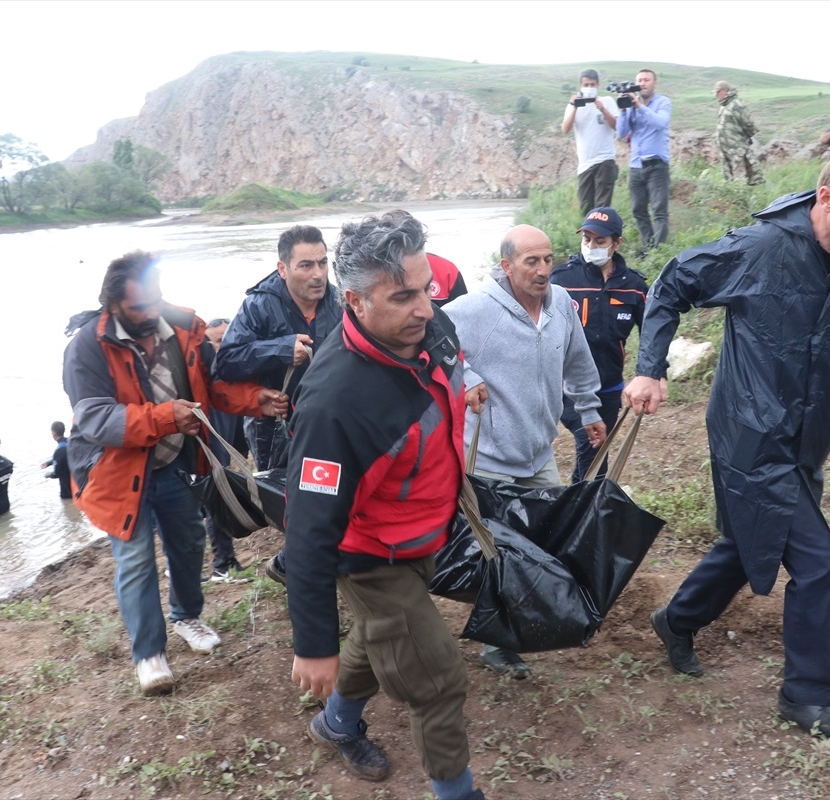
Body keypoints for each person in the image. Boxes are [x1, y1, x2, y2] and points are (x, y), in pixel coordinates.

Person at [624, 146, 830, 740]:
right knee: (818, 564)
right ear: (828, 198)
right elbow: (671, 283)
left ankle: (677, 619)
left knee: (753, 540)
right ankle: (805, 696)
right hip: (747, 433)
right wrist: (650, 368)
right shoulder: (761, 248)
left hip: (810, 438)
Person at [283, 210, 485, 800]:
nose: (425, 308)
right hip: (371, 553)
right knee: (438, 680)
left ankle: (338, 722)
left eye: (427, 289)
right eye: (403, 297)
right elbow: (309, 530)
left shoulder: (429, 327)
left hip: (426, 527)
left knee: (382, 635)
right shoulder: (336, 402)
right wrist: (313, 644)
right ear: (355, 301)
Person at [62, 250, 287, 695]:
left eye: (156, 300)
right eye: (139, 307)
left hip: (178, 464)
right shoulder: (87, 346)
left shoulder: (185, 327)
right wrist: (166, 418)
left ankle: (187, 616)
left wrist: (255, 400)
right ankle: (149, 654)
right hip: (115, 473)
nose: (152, 312)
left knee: (189, 543)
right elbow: (96, 419)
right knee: (136, 560)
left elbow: (213, 385)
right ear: (113, 305)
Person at [444, 224, 605, 679]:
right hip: (489, 458)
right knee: (498, 555)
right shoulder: (476, 309)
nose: (542, 270)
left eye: (547, 259)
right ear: (506, 266)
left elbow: (577, 360)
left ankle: (520, 625)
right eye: (531, 261)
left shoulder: (561, 305)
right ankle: (498, 645)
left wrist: (588, 409)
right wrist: (467, 378)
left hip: (538, 454)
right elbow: (433, 339)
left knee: (545, 541)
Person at [215, 225, 342, 472]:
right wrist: (280, 349)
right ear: (283, 269)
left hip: (330, 423)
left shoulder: (341, 303)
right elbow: (226, 362)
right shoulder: (257, 306)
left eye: (323, 263)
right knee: (277, 492)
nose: (318, 274)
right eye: (306, 265)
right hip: (273, 428)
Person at [550, 207, 648, 482]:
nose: (591, 246)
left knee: (596, 452)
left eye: (600, 241)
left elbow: (650, 333)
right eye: (587, 239)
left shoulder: (634, 286)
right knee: (591, 443)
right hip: (568, 387)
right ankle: (585, 503)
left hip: (608, 387)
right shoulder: (561, 280)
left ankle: (581, 500)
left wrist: (650, 373)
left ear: (617, 244)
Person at [202, 317, 246, 581]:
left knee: (218, 503)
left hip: (222, 453)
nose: (225, 346)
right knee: (214, 504)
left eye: (229, 339)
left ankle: (226, 562)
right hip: (205, 456)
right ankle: (222, 564)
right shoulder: (202, 380)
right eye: (218, 341)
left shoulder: (233, 378)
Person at [616, 68, 672, 254]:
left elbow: (660, 123)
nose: (642, 83)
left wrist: (639, 106)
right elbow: (621, 133)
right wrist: (624, 110)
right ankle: (649, 249)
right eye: (639, 80)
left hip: (657, 165)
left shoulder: (663, 102)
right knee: (638, 210)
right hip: (636, 165)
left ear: (654, 83)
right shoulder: (631, 106)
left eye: (646, 80)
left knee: (659, 210)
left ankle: (659, 252)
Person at [561, 68, 620, 215]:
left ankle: (603, 230)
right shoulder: (573, 106)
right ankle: (588, 230)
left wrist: (603, 110)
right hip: (585, 164)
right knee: (586, 208)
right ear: (580, 86)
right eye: (586, 85)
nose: (589, 88)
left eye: (592, 85)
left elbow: (616, 126)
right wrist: (574, 107)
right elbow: (565, 129)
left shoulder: (607, 101)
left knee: (602, 207)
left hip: (605, 159)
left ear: (598, 85)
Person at [713, 80, 764, 186]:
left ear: (724, 91)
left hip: (737, 149)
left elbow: (748, 124)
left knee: (740, 176)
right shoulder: (724, 106)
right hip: (726, 149)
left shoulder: (736, 105)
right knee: (728, 177)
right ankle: (730, 193)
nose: (716, 95)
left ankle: (742, 193)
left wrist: (747, 136)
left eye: (717, 92)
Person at [41, 421, 72, 500]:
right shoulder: (70, 442)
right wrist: (48, 463)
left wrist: (48, 474)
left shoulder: (59, 451)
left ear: (54, 433)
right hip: (77, 485)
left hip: (66, 491)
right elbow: (63, 457)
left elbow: (56, 474)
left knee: (66, 505)